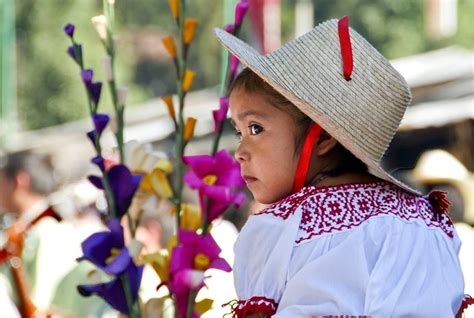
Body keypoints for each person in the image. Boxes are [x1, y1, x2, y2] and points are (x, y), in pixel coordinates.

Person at [214, 16, 471, 317]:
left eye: (255, 129)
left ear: (322, 138)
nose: (240, 152)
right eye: (238, 132)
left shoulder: (287, 228)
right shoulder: (421, 222)